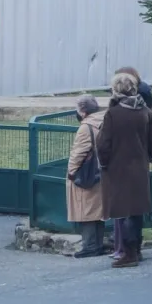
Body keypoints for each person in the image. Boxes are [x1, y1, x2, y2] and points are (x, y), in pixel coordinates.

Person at [96, 72, 152, 268]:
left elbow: (103, 143)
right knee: (136, 210)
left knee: (124, 210)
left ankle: (129, 253)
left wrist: (103, 163)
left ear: (116, 90)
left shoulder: (113, 114)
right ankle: (137, 249)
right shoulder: (145, 111)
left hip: (118, 169)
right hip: (140, 167)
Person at [65, 95, 105, 258]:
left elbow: (78, 153)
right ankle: (98, 244)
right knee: (98, 210)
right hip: (101, 171)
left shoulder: (85, 127)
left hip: (86, 174)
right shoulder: (104, 121)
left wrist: (71, 173)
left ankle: (90, 246)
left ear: (82, 111)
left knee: (85, 210)